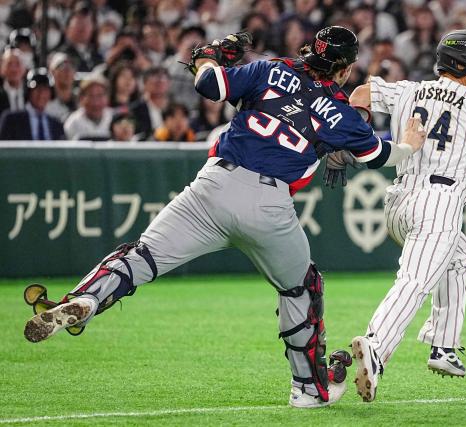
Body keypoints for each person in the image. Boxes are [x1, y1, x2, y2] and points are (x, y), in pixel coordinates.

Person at [23, 27, 426, 409]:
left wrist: (208, 59)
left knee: (141, 256)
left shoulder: (271, 69)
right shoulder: (338, 109)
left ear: (310, 50)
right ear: (346, 68)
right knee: (301, 288)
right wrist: (407, 145)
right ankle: (307, 388)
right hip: (269, 204)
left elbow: (210, 85)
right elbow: (377, 155)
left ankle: (85, 299)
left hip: (212, 187)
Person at [346, 29, 466, 402]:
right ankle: (376, 347)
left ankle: (444, 346)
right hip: (438, 202)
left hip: (398, 203)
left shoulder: (409, 90)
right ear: (460, 62)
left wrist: (359, 125)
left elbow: (359, 94)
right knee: (414, 281)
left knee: (458, 257)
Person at [0, 68, 65, 140]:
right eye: (37, 89)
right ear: (28, 92)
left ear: (51, 93)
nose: (41, 94)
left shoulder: (57, 125)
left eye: (45, 89)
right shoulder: (11, 121)